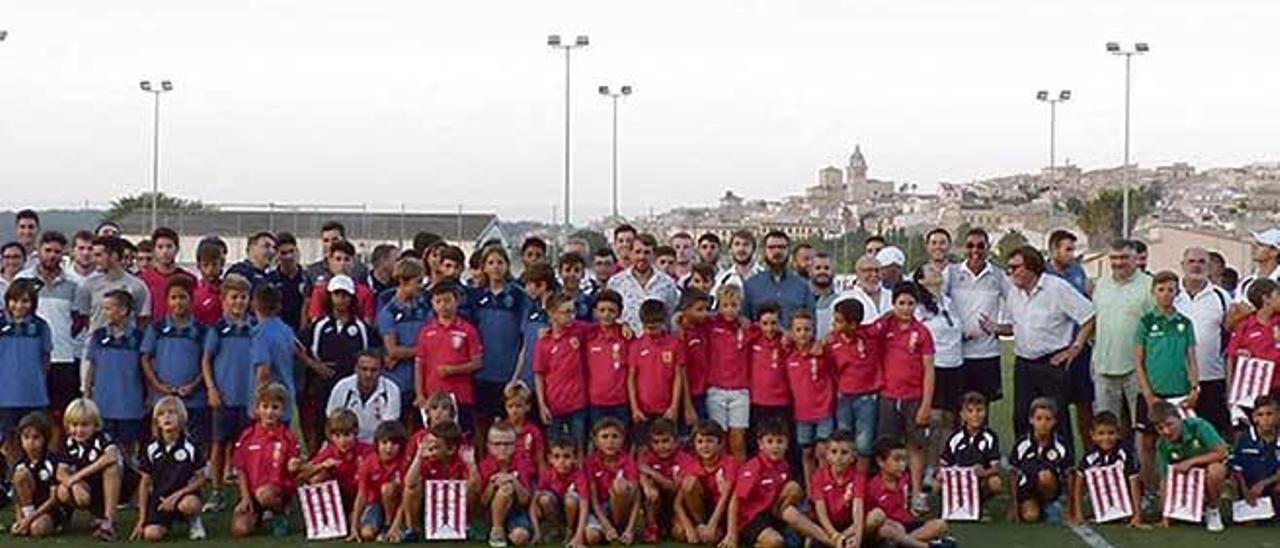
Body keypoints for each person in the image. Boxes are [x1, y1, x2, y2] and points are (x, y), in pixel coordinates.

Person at [997, 245, 1094, 444]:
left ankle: (1062, 466)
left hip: (1053, 363)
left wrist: (1075, 348)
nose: (1011, 272)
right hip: (1024, 364)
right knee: (1022, 417)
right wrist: (995, 328)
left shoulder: (1057, 288)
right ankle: (1026, 465)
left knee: (1056, 418)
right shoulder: (1014, 293)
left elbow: (1089, 316)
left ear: (1031, 267)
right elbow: (1014, 326)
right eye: (1009, 268)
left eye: (1015, 267)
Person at [719, 417, 833, 548]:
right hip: (749, 520)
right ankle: (755, 541)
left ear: (787, 444)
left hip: (770, 513)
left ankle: (832, 541)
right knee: (776, 542)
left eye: (780, 442)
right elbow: (735, 500)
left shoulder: (784, 465)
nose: (775, 446)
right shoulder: (754, 467)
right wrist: (731, 534)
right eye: (770, 441)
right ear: (761, 444)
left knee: (793, 491)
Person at [1135, 270, 1199, 489]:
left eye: (1170, 290)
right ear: (1153, 292)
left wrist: (1194, 388)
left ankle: (1178, 490)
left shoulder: (1185, 323)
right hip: (1153, 393)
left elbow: (1191, 358)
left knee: (1181, 441)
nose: (1165, 294)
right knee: (1148, 442)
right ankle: (1151, 489)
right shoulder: (1146, 321)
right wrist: (1148, 394)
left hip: (1179, 393)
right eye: (1161, 290)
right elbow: (1138, 361)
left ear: (1177, 293)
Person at [876, 282, 935, 514]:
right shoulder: (885, 328)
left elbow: (929, 369)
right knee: (888, 447)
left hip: (914, 397)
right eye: (901, 303)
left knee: (915, 446)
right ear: (893, 304)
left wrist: (926, 404)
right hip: (888, 396)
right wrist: (885, 317)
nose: (906, 308)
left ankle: (917, 494)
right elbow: (869, 333)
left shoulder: (922, 332)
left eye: (910, 303)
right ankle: (889, 493)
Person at [301, 274, 376, 454]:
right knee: (320, 424)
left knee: (349, 424)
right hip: (324, 382)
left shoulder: (360, 327)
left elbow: (372, 350)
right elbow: (298, 347)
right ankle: (315, 461)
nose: (341, 299)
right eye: (336, 294)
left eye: (345, 295)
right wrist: (315, 366)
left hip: (351, 382)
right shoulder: (320, 325)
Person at [200, 273, 254, 513]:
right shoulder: (218, 329)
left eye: (243, 297)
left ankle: (249, 493)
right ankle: (217, 491)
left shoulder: (255, 327)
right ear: (224, 299)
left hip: (250, 398)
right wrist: (211, 389)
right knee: (219, 444)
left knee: (246, 447)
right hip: (224, 396)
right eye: (234, 297)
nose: (239, 302)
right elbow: (206, 361)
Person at [17, 232, 79, 435]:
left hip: (63, 357)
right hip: (31, 359)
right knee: (28, 417)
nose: (52, 255)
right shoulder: (23, 279)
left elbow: (78, 321)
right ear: (39, 249)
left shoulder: (73, 283)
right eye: (48, 250)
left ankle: (55, 461)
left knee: (60, 416)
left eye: (57, 252)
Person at [1092, 239, 1155, 430]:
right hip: (1104, 367)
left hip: (1137, 369)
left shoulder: (1149, 285)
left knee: (1141, 427)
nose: (1118, 262)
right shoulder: (1101, 284)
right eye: (1114, 258)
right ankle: (1108, 460)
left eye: (1124, 257)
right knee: (1107, 426)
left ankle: (1137, 462)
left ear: (1136, 259)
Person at [141, 276, 210, 445]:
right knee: (163, 444)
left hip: (194, 400)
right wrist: (158, 385)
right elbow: (145, 358)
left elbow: (207, 362)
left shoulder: (201, 330)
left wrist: (194, 385)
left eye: (182, 297)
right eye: (173, 298)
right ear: (166, 301)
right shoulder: (156, 328)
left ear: (191, 299)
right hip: (163, 400)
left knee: (194, 446)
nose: (177, 302)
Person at [131, 396, 208, 541]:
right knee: (151, 535)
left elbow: (201, 478)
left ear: (181, 418)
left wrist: (177, 495)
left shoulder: (191, 446)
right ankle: (164, 524)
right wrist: (142, 518)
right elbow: (145, 483)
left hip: (183, 497)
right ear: (157, 422)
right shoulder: (150, 449)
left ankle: (194, 522)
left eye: (171, 413)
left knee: (190, 504)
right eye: (161, 414)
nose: (166, 417)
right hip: (160, 500)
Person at [230, 383, 302, 538]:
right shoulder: (247, 436)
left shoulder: (288, 438)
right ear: (257, 409)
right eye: (265, 406)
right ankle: (258, 516)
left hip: (275, 492)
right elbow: (240, 469)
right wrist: (245, 498)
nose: (269, 412)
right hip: (252, 493)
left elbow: (295, 472)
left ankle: (280, 514)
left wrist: (294, 466)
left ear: (283, 411)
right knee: (240, 530)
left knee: (266, 494)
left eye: (275, 407)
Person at [945, 227, 1007, 405]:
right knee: (958, 408)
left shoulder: (998, 275)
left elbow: (1019, 306)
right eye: (970, 246)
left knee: (982, 409)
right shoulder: (951, 273)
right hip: (957, 354)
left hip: (987, 355)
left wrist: (999, 328)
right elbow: (938, 306)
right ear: (964, 248)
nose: (975, 251)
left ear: (987, 247)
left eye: (980, 246)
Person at [1044, 229, 1096, 445]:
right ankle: (1061, 456)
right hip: (1055, 350)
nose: (1072, 254)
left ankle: (1091, 454)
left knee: (1085, 405)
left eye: (1073, 249)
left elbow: (1085, 303)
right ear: (1054, 249)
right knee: (1057, 407)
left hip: (1079, 347)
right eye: (1067, 249)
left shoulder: (1077, 271)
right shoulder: (1043, 274)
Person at [1175, 247, 1233, 435]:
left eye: (1201, 262)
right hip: (1177, 379)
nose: (1196, 266)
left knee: (1211, 434)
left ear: (1209, 267)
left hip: (1211, 377)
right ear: (1182, 265)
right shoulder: (1172, 295)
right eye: (1191, 261)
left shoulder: (1221, 296)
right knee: (1179, 435)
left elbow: (1229, 332)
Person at [471, 246, 530, 430]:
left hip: (509, 371)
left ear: (507, 266)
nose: (495, 267)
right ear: (484, 267)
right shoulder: (475, 295)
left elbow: (525, 336)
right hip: (483, 371)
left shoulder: (519, 295)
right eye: (491, 263)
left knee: (510, 423)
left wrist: (517, 374)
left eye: (500, 262)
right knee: (482, 422)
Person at [1151, 400, 1229, 531]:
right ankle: (1193, 507)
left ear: (1180, 419)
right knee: (1162, 506)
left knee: (1216, 470)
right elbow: (1165, 479)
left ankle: (1213, 510)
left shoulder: (1199, 426)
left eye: (1170, 424)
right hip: (1187, 481)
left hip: (1210, 470)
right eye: (1160, 428)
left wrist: (1191, 462)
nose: (1166, 431)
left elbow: (1222, 453)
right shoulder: (1161, 444)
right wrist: (1166, 514)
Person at [84, 290, 146, 453]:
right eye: (104, 308)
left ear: (123, 310)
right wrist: (87, 391)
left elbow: (145, 368)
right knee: (104, 445)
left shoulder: (139, 337)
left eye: (109, 308)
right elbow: (92, 365)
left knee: (129, 446)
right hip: (103, 403)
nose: (106, 313)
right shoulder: (99, 336)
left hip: (130, 403)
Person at [417, 280, 482, 432]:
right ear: (432, 304)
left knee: (463, 436)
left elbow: (477, 363)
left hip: (461, 395)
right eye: (438, 301)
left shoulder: (468, 330)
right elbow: (419, 364)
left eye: (447, 300)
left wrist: (453, 370)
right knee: (433, 436)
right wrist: (420, 394)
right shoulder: (426, 331)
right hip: (433, 395)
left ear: (456, 301)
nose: (443, 305)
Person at [394, 420, 475, 543]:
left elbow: (476, 487)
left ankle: (463, 525)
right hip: (426, 507)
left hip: (453, 506)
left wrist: (472, 465)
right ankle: (412, 529)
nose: (430, 450)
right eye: (429, 446)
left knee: (470, 486)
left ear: (451, 449)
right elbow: (409, 483)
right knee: (411, 489)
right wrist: (418, 457)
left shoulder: (462, 460)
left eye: (435, 447)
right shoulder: (426, 460)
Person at [865, 438, 954, 548]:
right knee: (887, 531)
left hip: (907, 525)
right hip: (887, 527)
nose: (902, 464)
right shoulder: (872, 486)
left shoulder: (905, 478)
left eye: (904, 460)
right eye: (897, 460)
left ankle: (904, 544)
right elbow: (871, 518)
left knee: (940, 525)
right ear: (880, 461)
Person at [55, 398, 124, 540]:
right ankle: (65, 517)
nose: (79, 430)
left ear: (95, 425)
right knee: (62, 490)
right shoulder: (68, 442)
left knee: (112, 467)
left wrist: (77, 476)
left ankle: (109, 522)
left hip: (119, 488)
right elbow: (60, 472)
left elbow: (112, 456)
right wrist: (74, 483)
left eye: (85, 425)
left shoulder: (102, 438)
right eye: (74, 425)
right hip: (87, 489)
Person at [0, 281, 52, 465]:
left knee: (35, 445)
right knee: (9, 444)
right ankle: (12, 486)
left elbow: (45, 358)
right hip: (5, 397)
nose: (19, 306)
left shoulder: (40, 326)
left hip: (34, 396)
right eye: (14, 300)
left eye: (24, 301)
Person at [378, 257, 431, 423]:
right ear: (403, 281)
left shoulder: (425, 307)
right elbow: (393, 350)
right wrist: (422, 351)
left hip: (422, 381)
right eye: (418, 281)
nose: (421, 286)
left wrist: (407, 352)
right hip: (397, 380)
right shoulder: (389, 312)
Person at [828, 298, 881, 463]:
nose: (834, 324)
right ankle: (844, 482)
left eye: (839, 321)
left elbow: (887, 319)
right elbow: (831, 370)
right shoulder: (832, 343)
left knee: (864, 444)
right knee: (843, 442)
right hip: (844, 397)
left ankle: (860, 483)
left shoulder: (870, 335)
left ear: (852, 324)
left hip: (867, 398)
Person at [784, 310, 834, 484]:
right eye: (798, 330)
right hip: (801, 413)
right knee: (806, 452)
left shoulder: (821, 352)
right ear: (791, 332)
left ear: (813, 331)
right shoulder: (788, 354)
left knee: (822, 452)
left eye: (807, 329)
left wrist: (823, 345)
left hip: (823, 410)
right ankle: (811, 492)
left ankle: (825, 488)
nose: (803, 333)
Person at [534, 292, 590, 444]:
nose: (571, 316)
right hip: (554, 404)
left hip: (578, 404)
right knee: (555, 447)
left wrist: (623, 326)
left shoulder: (580, 330)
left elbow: (604, 327)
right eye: (566, 312)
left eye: (573, 311)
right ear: (552, 314)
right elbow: (539, 374)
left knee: (579, 446)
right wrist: (542, 404)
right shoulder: (544, 341)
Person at [1070, 411, 1142, 527]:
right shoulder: (1090, 456)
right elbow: (1078, 483)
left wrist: (1137, 515)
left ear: (1119, 434)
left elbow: (1134, 483)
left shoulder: (1125, 454)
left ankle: (1129, 510)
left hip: (1126, 503)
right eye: (1101, 433)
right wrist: (1079, 514)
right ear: (1092, 435)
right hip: (1103, 502)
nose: (1106, 438)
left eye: (1111, 433)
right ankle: (1101, 508)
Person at [628, 300, 685, 443]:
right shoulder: (637, 345)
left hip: (666, 409)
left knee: (666, 445)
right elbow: (631, 378)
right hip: (643, 410)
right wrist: (635, 408)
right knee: (643, 447)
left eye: (654, 327)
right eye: (647, 327)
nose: (650, 331)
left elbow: (678, 377)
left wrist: (674, 406)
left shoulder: (674, 344)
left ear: (663, 322)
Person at [1009, 398, 1072, 524]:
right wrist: (1014, 506)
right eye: (1039, 419)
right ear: (1031, 420)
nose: (1043, 423)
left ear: (1054, 421)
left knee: (1045, 476)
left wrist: (1072, 509)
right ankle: (1036, 508)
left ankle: (1051, 504)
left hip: (1050, 489)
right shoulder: (1022, 444)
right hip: (1027, 491)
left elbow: (1069, 475)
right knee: (1030, 517)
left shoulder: (1061, 445)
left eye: (1048, 419)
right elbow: (1014, 475)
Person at [676, 420, 739, 545]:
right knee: (679, 532)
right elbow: (677, 503)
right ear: (694, 444)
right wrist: (689, 527)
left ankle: (714, 530)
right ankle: (700, 526)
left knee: (712, 538)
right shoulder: (691, 464)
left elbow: (726, 496)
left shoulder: (730, 462)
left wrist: (712, 525)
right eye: (700, 442)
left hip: (722, 512)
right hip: (700, 511)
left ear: (720, 443)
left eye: (710, 441)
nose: (705, 446)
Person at [706, 284, 751, 459]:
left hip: (740, 390)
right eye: (725, 305)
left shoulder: (746, 328)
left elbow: (776, 333)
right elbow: (683, 318)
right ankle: (722, 478)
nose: (730, 310)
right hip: (716, 389)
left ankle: (741, 479)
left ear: (740, 305)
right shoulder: (711, 325)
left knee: (738, 438)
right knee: (719, 439)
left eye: (734, 305)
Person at [938, 392, 1003, 510]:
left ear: (985, 412)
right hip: (959, 481)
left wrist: (983, 472)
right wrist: (942, 473)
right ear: (962, 414)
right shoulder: (955, 437)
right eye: (970, 411)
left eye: (979, 410)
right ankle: (951, 506)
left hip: (979, 480)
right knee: (936, 483)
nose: (975, 415)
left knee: (995, 483)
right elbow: (944, 462)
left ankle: (980, 504)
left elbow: (996, 467)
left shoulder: (990, 437)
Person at [75, 236, 152, 333]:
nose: (94, 260)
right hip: (96, 344)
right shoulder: (88, 286)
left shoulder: (137, 286)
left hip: (125, 345)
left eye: (98, 255)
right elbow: (84, 318)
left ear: (114, 256)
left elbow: (142, 320)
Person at [583, 417, 640, 545]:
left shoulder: (628, 461)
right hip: (600, 510)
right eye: (605, 436)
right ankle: (608, 531)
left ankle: (622, 530)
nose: (610, 441)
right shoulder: (590, 462)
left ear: (622, 440)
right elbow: (594, 501)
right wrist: (606, 526)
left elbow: (637, 499)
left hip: (621, 509)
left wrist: (630, 529)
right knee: (592, 537)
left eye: (615, 436)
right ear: (596, 441)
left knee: (620, 486)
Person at [348, 420, 408, 542]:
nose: (389, 448)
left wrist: (395, 524)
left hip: (397, 504)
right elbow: (362, 495)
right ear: (377, 444)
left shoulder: (404, 463)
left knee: (388, 489)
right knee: (367, 534)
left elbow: (405, 498)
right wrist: (354, 527)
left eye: (394, 443)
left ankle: (390, 526)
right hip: (375, 503)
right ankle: (376, 526)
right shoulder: (369, 462)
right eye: (384, 443)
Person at [293, 409, 368, 507]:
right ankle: (325, 516)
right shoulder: (330, 452)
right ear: (331, 436)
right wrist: (322, 466)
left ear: (356, 432)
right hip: (340, 498)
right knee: (318, 478)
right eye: (337, 436)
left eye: (347, 435)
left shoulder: (366, 451)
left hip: (363, 498)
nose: (342, 441)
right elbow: (301, 476)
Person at [325, 350, 401, 445]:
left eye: (373, 370)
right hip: (344, 444)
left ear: (381, 370)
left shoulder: (392, 390)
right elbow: (330, 424)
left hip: (375, 446)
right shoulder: (342, 387)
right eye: (364, 369)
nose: (368, 375)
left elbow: (388, 431)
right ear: (356, 369)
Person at [637, 418, 695, 543]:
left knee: (680, 534)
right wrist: (646, 486)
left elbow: (674, 487)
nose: (661, 446)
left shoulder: (685, 459)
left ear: (676, 442)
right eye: (656, 442)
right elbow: (642, 473)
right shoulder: (649, 457)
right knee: (651, 490)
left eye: (666, 441)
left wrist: (653, 473)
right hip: (657, 504)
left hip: (678, 504)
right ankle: (652, 526)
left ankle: (673, 525)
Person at [479, 420, 536, 547]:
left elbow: (524, 500)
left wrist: (513, 480)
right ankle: (497, 531)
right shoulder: (485, 465)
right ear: (488, 446)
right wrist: (492, 484)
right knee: (505, 489)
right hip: (492, 512)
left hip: (517, 512)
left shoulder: (522, 463)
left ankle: (508, 533)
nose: (503, 448)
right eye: (497, 444)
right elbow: (483, 501)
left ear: (515, 445)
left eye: (507, 444)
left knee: (520, 538)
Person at [607, 233, 679, 332]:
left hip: (656, 343)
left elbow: (671, 316)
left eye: (647, 252)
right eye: (638, 252)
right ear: (630, 253)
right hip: (626, 342)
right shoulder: (616, 282)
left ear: (654, 255)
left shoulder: (667, 283)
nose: (642, 257)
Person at [1226, 278, 1280, 408]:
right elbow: (1231, 359)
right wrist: (1230, 393)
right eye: (1277, 295)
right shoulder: (1244, 326)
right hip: (1255, 392)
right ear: (1265, 299)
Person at [810, 430, 869, 548]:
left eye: (844, 453)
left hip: (850, 525)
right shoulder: (818, 476)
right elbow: (821, 512)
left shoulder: (858, 477)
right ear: (827, 455)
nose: (838, 457)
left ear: (853, 457)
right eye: (834, 452)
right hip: (828, 526)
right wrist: (834, 535)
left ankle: (845, 541)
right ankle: (837, 541)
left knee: (876, 516)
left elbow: (858, 509)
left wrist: (857, 538)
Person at [9, 412, 63, 539]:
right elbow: (17, 498)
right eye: (26, 437)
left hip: (49, 510)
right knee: (21, 475)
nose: (30, 442)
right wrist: (20, 519)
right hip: (30, 511)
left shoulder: (52, 462)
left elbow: (54, 498)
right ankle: (27, 520)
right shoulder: (20, 464)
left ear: (45, 439)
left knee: (38, 529)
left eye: (36, 437)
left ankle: (55, 525)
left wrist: (28, 521)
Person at [743, 230, 814, 327]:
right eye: (771, 248)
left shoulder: (803, 286)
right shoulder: (750, 285)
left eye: (782, 247)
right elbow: (745, 322)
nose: (777, 251)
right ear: (764, 251)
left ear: (789, 251)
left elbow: (812, 324)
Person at [531, 435, 590, 548]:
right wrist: (536, 531)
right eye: (556, 457)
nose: (562, 461)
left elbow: (584, 506)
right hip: (556, 509)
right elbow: (533, 504)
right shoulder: (547, 474)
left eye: (567, 456)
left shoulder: (579, 475)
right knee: (544, 499)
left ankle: (570, 530)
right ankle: (555, 528)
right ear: (550, 459)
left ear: (575, 458)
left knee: (570, 500)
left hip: (573, 511)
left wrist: (579, 536)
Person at [585, 290, 631, 430]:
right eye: (602, 310)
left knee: (621, 441)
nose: (606, 314)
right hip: (596, 401)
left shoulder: (626, 337)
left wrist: (625, 326)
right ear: (595, 312)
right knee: (599, 440)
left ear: (619, 313)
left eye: (611, 310)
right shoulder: (588, 336)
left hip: (621, 401)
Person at [746, 303, 791, 445]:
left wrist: (785, 333)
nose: (769, 328)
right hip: (758, 400)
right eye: (765, 323)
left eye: (774, 323)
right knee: (759, 439)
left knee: (781, 438)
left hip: (782, 400)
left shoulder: (785, 342)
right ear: (758, 323)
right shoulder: (753, 339)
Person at [305, 241, 376, 325]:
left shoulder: (365, 293)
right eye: (338, 259)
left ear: (353, 262)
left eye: (347, 259)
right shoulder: (319, 292)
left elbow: (368, 324)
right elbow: (315, 322)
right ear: (330, 261)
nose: (342, 264)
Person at [1229, 396, 1280, 514]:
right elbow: (1237, 468)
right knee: (1229, 483)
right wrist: (1245, 490)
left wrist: (1263, 483)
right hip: (1248, 485)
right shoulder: (1244, 438)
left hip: (1271, 483)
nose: (1265, 419)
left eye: (1269, 414)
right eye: (1260, 415)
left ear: (1278, 416)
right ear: (1254, 418)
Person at [138, 228, 191, 320]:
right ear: (154, 250)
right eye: (160, 247)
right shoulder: (142, 280)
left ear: (177, 249)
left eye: (169, 246)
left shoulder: (189, 279)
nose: (165, 251)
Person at [268, 232, 310, 333]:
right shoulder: (271, 279)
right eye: (284, 253)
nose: (289, 257)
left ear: (297, 251)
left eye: (292, 251)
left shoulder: (307, 278)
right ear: (277, 255)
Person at [304, 221, 369, 285]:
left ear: (344, 239)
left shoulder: (360, 271)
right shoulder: (312, 271)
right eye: (326, 240)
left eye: (335, 239)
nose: (330, 244)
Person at [835, 254, 891, 326]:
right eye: (868, 270)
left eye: (877, 270)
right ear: (858, 273)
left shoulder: (891, 296)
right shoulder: (845, 297)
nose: (874, 274)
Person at [504, 382, 546, 472]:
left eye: (518, 406)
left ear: (527, 406)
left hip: (529, 475)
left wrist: (543, 483)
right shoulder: (502, 430)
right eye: (510, 406)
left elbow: (540, 459)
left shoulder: (534, 431)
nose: (514, 410)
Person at [192, 241, 225, 327]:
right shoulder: (194, 290)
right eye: (205, 265)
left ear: (221, 264)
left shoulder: (227, 290)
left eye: (214, 265)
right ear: (199, 266)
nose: (210, 270)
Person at [558, 252, 594, 321]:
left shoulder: (590, 302)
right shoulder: (552, 301)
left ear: (583, 274)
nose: (572, 274)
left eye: (576, 270)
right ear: (560, 273)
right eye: (567, 270)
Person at [811, 252, 839, 339]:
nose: (822, 271)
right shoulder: (802, 298)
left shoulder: (841, 299)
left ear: (833, 272)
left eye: (826, 268)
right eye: (818, 268)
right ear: (810, 271)